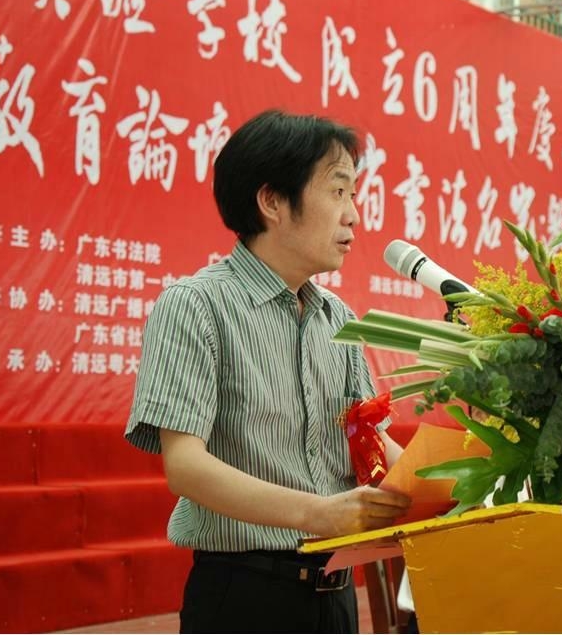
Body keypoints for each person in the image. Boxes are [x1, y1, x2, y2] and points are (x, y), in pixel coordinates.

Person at [124, 110, 411, 634]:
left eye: (353, 194)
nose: (354, 216)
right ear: (272, 201)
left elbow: (370, 440)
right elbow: (185, 466)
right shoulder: (196, 305)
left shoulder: (338, 319)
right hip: (244, 596)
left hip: (337, 598)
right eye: (338, 192)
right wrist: (316, 514)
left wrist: (463, 489)